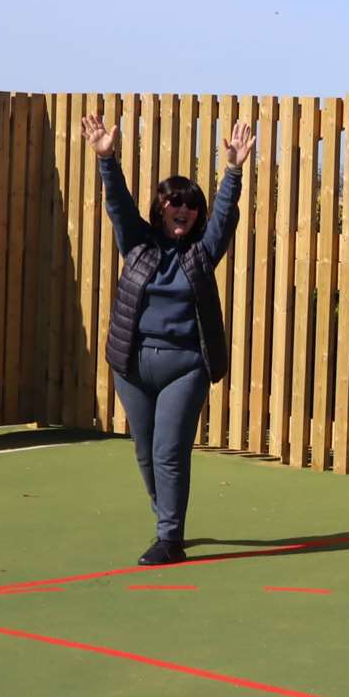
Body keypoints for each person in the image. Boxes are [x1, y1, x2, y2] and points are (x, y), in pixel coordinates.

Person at [81, 111, 254, 566]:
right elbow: (118, 205)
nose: (183, 210)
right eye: (174, 203)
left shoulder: (201, 253)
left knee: (169, 451)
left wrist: (232, 171)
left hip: (185, 366)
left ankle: (169, 538)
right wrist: (107, 160)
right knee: (144, 452)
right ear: (160, 209)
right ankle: (167, 519)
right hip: (133, 366)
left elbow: (223, 218)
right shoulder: (138, 243)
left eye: (190, 205)